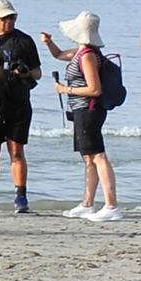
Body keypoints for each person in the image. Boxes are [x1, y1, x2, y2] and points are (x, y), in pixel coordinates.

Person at [43, 12, 121, 221]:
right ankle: (88, 203)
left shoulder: (87, 56)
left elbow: (94, 89)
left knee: (98, 155)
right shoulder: (83, 52)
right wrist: (49, 43)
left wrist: (65, 89)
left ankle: (111, 206)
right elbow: (59, 55)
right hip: (82, 110)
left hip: (90, 109)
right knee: (88, 157)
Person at [0, 0, 41, 214]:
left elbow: (37, 73)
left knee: (17, 150)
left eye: (12, 17)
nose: (9, 22)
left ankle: (21, 196)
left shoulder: (24, 41)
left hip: (18, 101)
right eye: (4, 18)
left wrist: (24, 73)